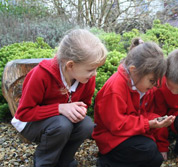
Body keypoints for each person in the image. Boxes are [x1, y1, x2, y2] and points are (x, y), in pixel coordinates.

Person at [11, 29, 107, 167]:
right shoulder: (41, 74)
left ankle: (65, 161)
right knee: (61, 125)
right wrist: (60, 108)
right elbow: (24, 113)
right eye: (90, 69)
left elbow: (85, 103)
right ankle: (45, 162)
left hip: (59, 122)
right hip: (30, 122)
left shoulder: (86, 79)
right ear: (70, 65)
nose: (95, 74)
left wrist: (79, 111)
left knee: (86, 124)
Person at [92, 38, 176, 167]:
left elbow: (144, 113)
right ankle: (106, 162)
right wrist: (148, 124)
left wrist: (156, 120)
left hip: (130, 133)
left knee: (156, 158)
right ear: (133, 70)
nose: (154, 85)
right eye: (151, 80)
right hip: (111, 139)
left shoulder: (141, 85)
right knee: (147, 149)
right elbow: (116, 125)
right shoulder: (115, 89)